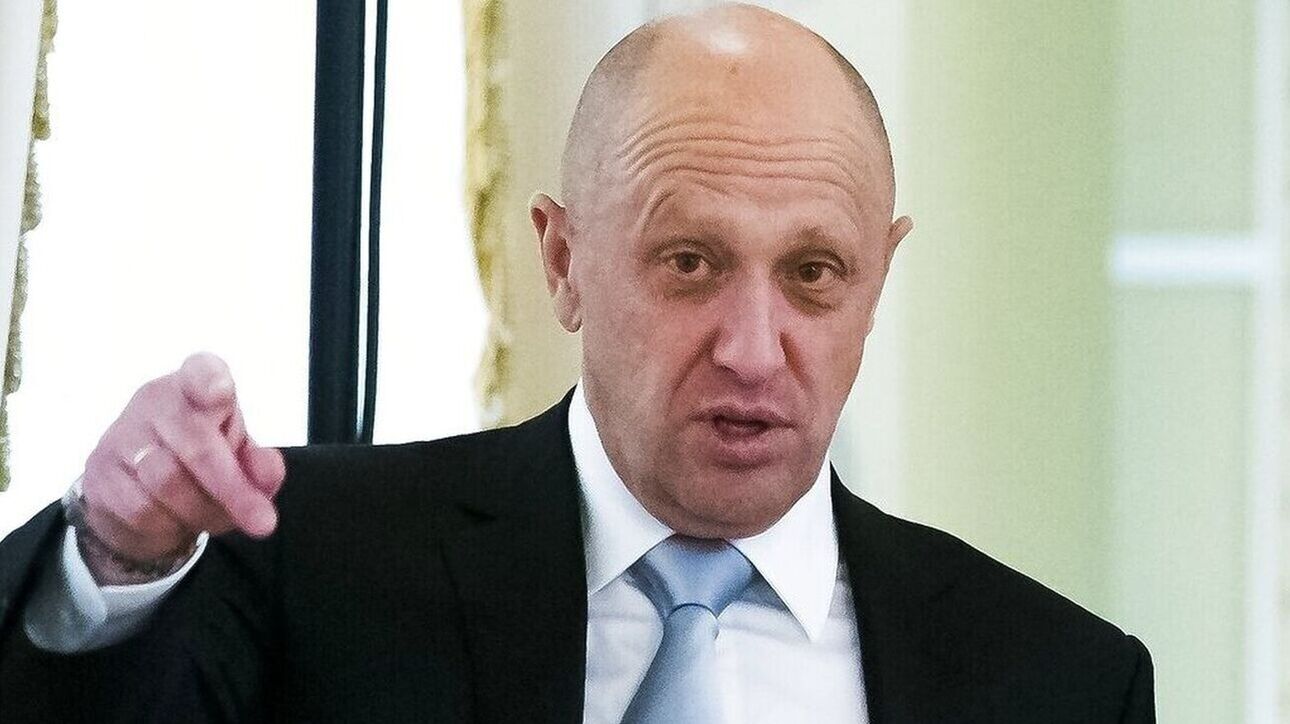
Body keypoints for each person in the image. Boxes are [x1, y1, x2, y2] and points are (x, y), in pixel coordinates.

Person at [0, 4, 1155, 722]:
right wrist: (114, 557)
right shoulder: (312, 565)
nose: (754, 350)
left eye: (814, 273)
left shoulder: (1058, 681)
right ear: (564, 260)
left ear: (879, 277)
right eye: (691, 262)